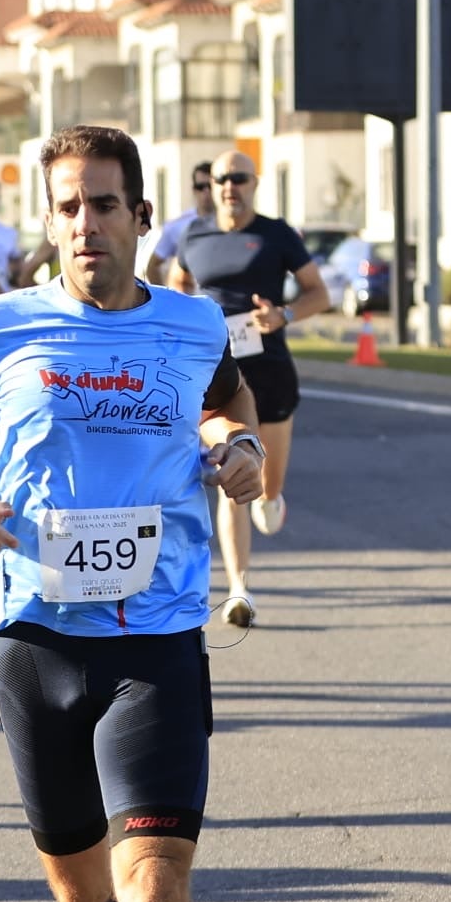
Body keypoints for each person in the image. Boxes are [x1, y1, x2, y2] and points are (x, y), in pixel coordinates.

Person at [0, 124, 264, 902]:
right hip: (35, 637)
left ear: (140, 215)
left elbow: (228, 403)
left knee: (158, 883)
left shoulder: (193, 323)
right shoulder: (1, 326)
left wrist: (239, 445)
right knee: (79, 888)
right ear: (52, 222)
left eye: (103, 204)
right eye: (68, 208)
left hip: (158, 637)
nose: (86, 223)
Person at [168, 150, 330, 630]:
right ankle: (239, 589)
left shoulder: (276, 234)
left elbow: (318, 292)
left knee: (266, 488)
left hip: (270, 370)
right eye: (220, 178)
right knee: (234, 476)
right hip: (217, 377)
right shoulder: (193, 235)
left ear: (254, 183)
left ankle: (273, 498)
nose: (228, 187)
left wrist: (284, 314)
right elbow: (177, 284)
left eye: (239, 178)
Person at [144, 162, 215, 286]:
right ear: (194, 190)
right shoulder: (178, 226)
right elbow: (152, 267)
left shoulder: (233, 223)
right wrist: (166, 295)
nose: (206, 191)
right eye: (200, 187)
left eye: (210, 186)